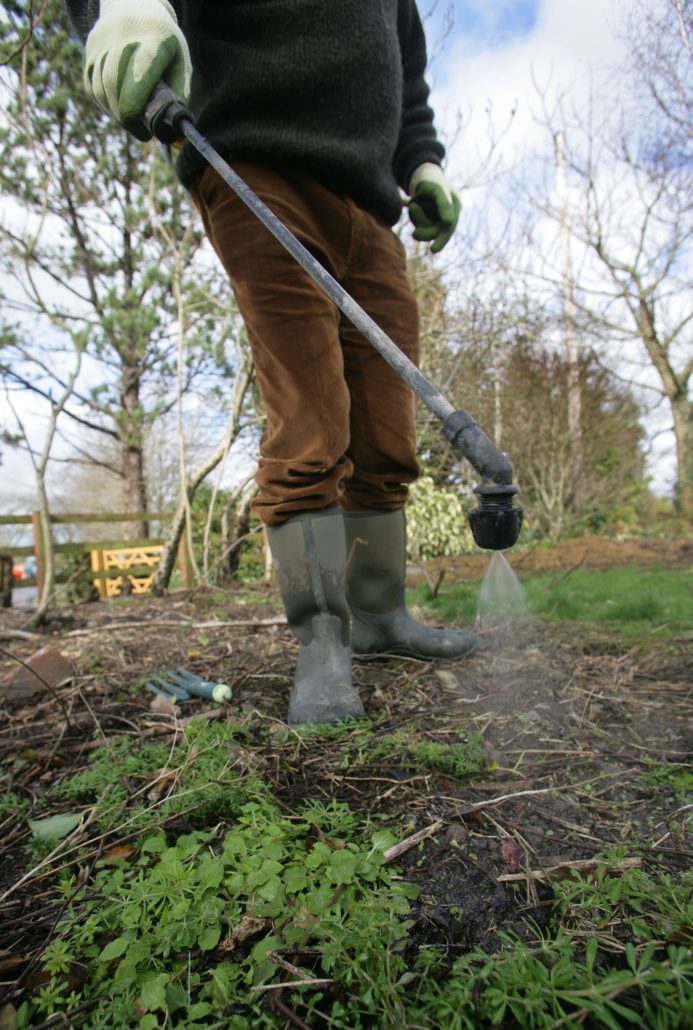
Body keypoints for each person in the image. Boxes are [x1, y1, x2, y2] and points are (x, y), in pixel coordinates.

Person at [67, 0, 479, 725]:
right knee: (311, 414)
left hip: (372, 202)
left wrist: (424, 161)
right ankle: (322, 642)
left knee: (388, 422)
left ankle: (380, 616)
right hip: (253, 159)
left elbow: (407, 81)